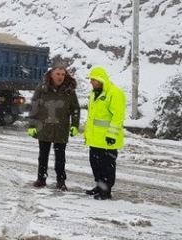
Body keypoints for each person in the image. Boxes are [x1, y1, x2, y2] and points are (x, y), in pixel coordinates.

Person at [27, 63, 80, 191]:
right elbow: (34, 107)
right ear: (51, 74)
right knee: (43, 155)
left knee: (60, 157)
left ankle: (61, 181)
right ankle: (41, 179)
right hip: (44, 127)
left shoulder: (69, 91)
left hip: (61, 129)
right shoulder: (42, 88)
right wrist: (32, 125)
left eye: (63, 74)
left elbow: (75, 109)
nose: (60, 77)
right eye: (58, 74)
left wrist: (75, 125)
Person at [84, 66, 126, 200]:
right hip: (95, 139)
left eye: (93, 80)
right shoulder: (93, 93)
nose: (91, 82)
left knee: (107, 167)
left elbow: (118, 116)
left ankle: (106, 191)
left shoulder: (115, 93)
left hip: (108, 140)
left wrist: (112, 135)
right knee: (95, 164)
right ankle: (100, 186)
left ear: (100, 80)